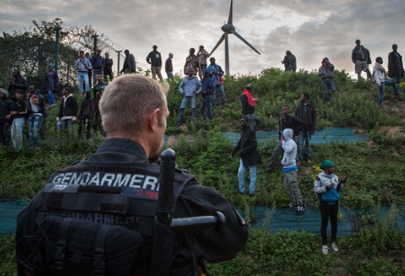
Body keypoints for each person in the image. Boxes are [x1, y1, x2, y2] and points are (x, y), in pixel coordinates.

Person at [16, 74, 249, 275]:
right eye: (164, 120)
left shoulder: (50, 190)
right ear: (153, 119)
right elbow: (233, 238)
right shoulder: (178, 193)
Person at [313, 160, 348, 255]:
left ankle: (333, 242)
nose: (333, 169)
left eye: (333, 167)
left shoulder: (335, 177)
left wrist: (342, 182)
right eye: (331, 168)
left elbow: (337, 190)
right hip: (324, 203)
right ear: (327, 169)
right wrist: (327, 187)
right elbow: (316, 189)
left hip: (334, 203)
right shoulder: (319, 177)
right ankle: (324, 244)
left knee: (334, 222)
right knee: (324, 223)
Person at [264, 104, 305, 173]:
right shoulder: (281, 119)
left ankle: (296, 169)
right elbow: (280, 129)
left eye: (286, 109)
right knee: (275, 152)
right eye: (283, 109)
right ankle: (270, 167)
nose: (284, 111)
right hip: (283, 139)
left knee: (294, 154)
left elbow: (303, 124)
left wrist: (295, 133)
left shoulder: (292, 118)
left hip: (291, 139)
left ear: (289, 110)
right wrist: (280, 136)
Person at [232, 116, 261, 196]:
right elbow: (240, 143)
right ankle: (242, 191)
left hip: (251, 156)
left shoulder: (251, 131)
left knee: (252, 174)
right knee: (240, 172)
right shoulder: (243, 131)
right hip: (243, 157)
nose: (242, 123)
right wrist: (234, 151)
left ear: (247, 122)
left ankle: (251, 192)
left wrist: (244, 150)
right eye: (241, 121)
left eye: (243, 121)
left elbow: (254, 144)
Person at [281, 128, 305, 214]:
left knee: (294, 187)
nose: (282, 135)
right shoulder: (287, 142)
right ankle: (294, 202)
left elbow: (287, 150)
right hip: (286, 168)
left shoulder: (291, 143)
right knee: (287, 187)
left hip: (291, 169)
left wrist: (282, 143)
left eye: (283, 134)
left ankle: (300, 204)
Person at [295, 92, 317, 166]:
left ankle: (308, 157)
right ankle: (299, 159)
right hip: (300, 128)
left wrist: (313, 128)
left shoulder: (311, 106)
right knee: (299, 144)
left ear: (306, 97)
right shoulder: (299, 105)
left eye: (302, 96)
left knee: (308, 144)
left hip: (308, 128)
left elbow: (314, 119)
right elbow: (295, 116)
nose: (301, 97)